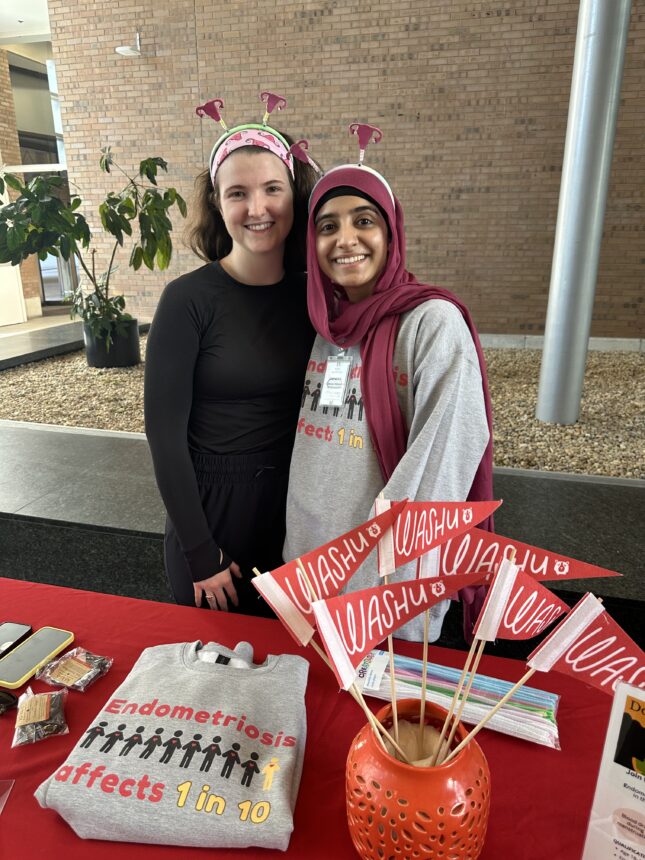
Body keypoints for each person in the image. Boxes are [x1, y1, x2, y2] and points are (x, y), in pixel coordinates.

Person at [284, 125, 494, 642]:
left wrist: (376, 588)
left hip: (387, 591)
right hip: (311, 574)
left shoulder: (432, 324)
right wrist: (303, 569)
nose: (345, 240)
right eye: (327, 226)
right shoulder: (328, 327)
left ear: (391, 232)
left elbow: (443, 466)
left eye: (364, 221)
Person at [145, 94, 319, 615]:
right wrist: (200, 551)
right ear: (219, 205)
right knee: (212, 659)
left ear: (295, 195)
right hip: (211, 517)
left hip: (294, 513)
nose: (257, 208)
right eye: (238, 193)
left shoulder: (315, 298)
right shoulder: (188, 301)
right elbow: (164, 437)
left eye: (272, 189)